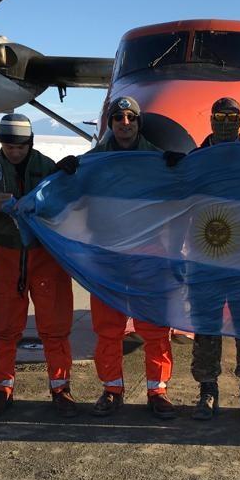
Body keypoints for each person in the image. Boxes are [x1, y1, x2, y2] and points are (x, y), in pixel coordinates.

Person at [56, 96, 177, 419]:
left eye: (131, 119)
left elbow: (181, 195)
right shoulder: (92, 161)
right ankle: (112, 388)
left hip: (147, 255)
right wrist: (65, 174)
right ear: (109, 124)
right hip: (106, 257)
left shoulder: (158, 160)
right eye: (118, 118)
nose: (125, 124)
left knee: (154, 327)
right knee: (107, 328)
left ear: (138, 124)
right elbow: (72, 200)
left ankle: (157, 390)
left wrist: (181, 167)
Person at [0, 114, 76, 418]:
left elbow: (68, 205)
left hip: (45, 255)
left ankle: (61, 389)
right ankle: (2, 388)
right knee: (4, 327)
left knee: (55, 325)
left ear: (30, 142)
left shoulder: (47, 167)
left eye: (20, 146)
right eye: (8, 146)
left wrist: (69, 176)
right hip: (7, 254)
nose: (14, 151)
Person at [184, 97, 240, 423]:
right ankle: (207, 390)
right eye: (220, 114)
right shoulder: (195, 160)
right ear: (211, 118)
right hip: (205, 256)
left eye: (232, 115)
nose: (226, 121)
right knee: (206, 326)